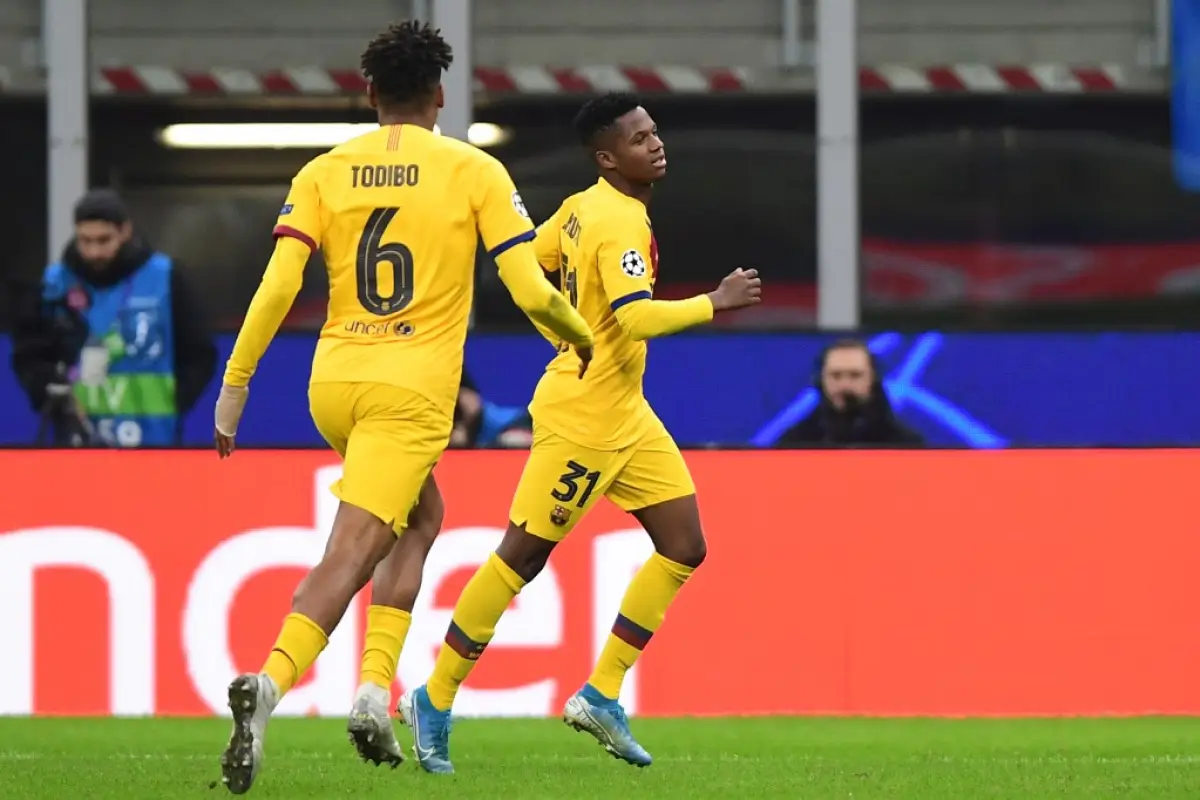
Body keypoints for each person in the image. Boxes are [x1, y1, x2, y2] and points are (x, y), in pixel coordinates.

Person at [210, 20, 594, 794]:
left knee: (421, 519)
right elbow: (528, 289)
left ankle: (372, 695)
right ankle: (270, 686)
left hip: (334, 380)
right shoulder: (473, 169)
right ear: (442, 96)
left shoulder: (324, 170)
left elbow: (279, 285)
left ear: (369, 92)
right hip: (411, 390)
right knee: (352, 549)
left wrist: (237, 382)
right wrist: (581, 337)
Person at [398, 92, 762, 774]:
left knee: (684, 546)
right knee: (520, 560)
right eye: (638, 138)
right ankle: (434, 697)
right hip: (584, 421)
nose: (656, 144)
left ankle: (601, 693)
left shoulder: (579, 205)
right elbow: (633, 319)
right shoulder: (617, 222)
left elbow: (525, 267)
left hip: (626, 408)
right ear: (607, 157)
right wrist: (715, 302)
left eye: (655, 131)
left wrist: (565, 330)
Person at [10, 189, 216, 446]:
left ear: (125, 232)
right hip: (77, 436)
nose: (94, 251)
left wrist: (177, 399)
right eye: (85, 240)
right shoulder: (55, 285)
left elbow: (199, 351)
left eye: (104, 240)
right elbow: (29, 353)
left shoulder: (166, 278)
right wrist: (48, 393)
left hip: (153, 436)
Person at [777, 339, 924, 448]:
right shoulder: (794, 442)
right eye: (836, 375)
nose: (845, 385)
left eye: (855, 375)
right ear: (820, 380)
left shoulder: (906, 444)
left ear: (873, 380)